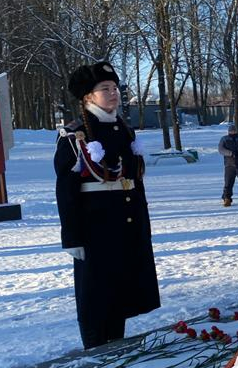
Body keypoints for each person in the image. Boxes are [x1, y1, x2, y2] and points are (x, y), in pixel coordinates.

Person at [54, 60, 160, 349]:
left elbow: (134, 180)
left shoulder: (124, 130)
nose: (113, 93)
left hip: (125, 225)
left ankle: (116, 353)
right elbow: (66, 190)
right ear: (88, 96)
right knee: (95, 298)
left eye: (115, 88)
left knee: (120, 295)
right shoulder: (76, 135)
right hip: (95, 228)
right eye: (105, 88)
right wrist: (72, 236)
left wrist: (141, 224)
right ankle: (95, 358)